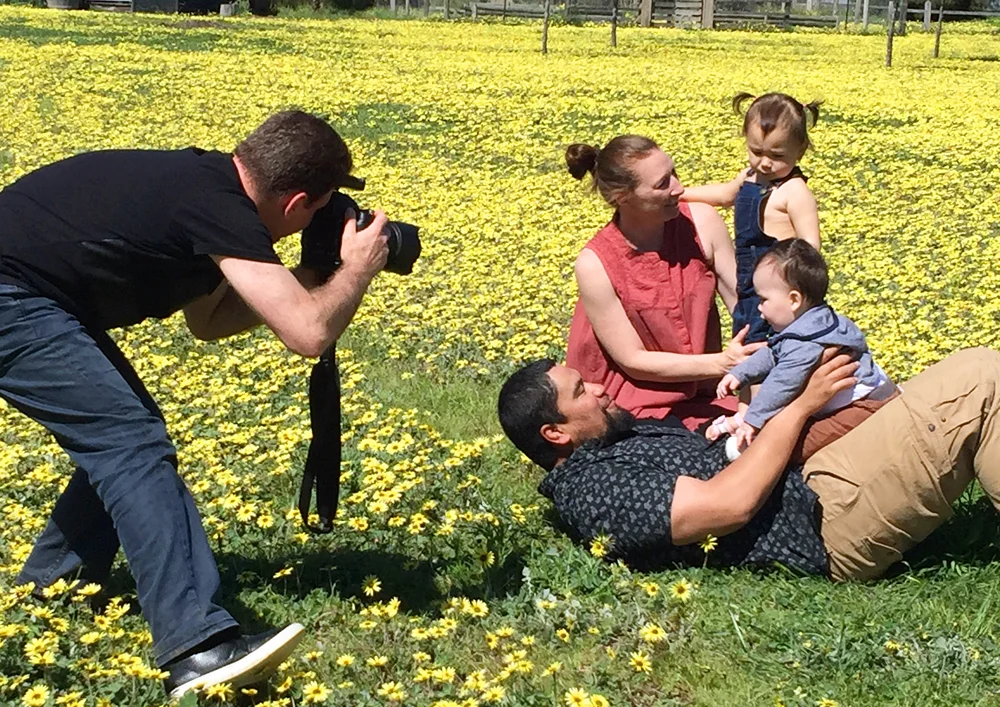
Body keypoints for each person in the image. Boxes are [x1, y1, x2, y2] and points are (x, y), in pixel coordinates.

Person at [0, 110, 390, 699]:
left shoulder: (211, 191)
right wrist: (356, 272)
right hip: (12, 296)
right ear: (297, 202)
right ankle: (196, 646)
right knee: (130, 443)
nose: (320, 221)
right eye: (321, 209)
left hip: (29, 292)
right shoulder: (217, 205)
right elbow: (309, 334)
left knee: (125, 438)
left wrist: (313, 270)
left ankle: (54, 591)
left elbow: (209, 321)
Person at [498, 347, 1000, 582]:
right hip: (826, 522)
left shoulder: (616, 437)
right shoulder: (593, 488)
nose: (601, 388)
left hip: (817, 478)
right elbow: (728, 505)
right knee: (980, 379)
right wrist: (802, 405)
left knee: (965, 373)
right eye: (582, 392)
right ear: (555, 433)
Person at [564, 135, 763, 431]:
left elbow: (746, 307)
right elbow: (633, 360)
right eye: (662, 184)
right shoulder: (594, 263)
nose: (679, 188)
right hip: (632, 407)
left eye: (674, 173)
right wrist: (722, 363)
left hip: (706, 394)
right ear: (622, 197)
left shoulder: (703, 223)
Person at [683, 93, 822, 434]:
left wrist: (799, 293)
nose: (764, 163)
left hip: (782, 294)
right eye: (756, 151)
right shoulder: (751, 178)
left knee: (770, 359)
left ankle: (760, 423)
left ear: (800, 151)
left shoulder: (795, 193)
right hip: (750, 290)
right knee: (745, 352)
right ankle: (743, 415)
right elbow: (724, 196)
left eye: (777, 156)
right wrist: (680, 194)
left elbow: (811, 249)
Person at [712, 240, 898, 461]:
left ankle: (747, 450)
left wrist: (753, 420)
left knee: (794, 448)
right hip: (847, 402)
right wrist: (740, 373)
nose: (759, 308)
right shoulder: (811, 323)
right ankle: (744, 426)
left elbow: (782, 383)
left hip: (862, 406)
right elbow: (773, 353)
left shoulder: (807, 343)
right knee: (785, 423)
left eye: (763, 299)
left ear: (793, 300)